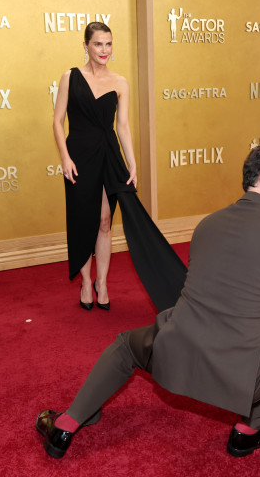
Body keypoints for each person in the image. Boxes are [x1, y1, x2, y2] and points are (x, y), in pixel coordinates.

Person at [36, 143, 260, 458]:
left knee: (127, 345)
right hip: (242, 375)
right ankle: (251, 429)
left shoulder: (208, 224)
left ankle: (65, 424)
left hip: (174, 354)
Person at [52, 22, 186, 313]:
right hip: (79, 156)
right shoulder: (69, 77)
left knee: (103, 221)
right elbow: (57, 121)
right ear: (85, 45)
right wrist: (65, 157)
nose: (104, 50)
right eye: (98, 44)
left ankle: (103, 283)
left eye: (108, 44)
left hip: (109, 154)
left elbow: (122, 127)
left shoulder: (120, 82)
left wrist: (133, 163)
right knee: (81, 221)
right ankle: (86, 282)